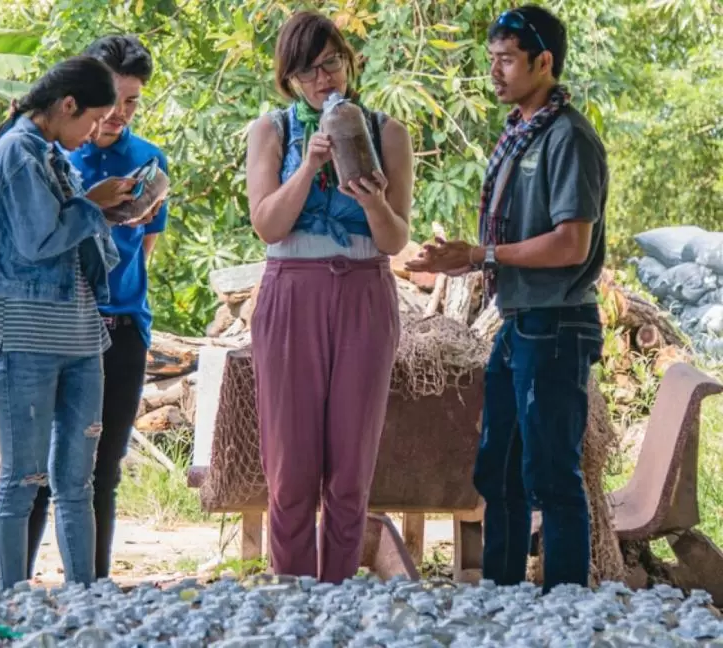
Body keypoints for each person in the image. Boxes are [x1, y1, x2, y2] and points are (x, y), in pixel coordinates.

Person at [405, 5, 607, 593]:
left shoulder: (568, 137)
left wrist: (481, 256)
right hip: (518, 322)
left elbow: (572, 243)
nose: (494, 73)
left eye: (507, 61)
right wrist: (461, 255)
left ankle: (566, 604)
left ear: (544, 62)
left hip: (557, 322)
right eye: (490, 60)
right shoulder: (523, 132)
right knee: (499, 471)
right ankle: (502, 596)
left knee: (552, 475)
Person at [244, 10, 414, 584]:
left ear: (348, 61)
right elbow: (267, 225)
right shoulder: (270, 131)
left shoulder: (388, 131)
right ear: (288, 80)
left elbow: (394, 239)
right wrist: (311, 163)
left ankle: (338, 595)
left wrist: (371, 201)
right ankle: (292, 592)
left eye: (331, 63)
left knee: (350, 464)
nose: (324, 80)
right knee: (291, 466)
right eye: (308, 71)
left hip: (365, 290)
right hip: (292, 291)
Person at [0, 55, 137, 590]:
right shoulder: (17, 154)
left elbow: (72, 236)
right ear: (67, 105)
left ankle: (84, 591)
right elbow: (38, 240)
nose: (94, 134)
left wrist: (107, 212)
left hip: (80, 335)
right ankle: (9, 596)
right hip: (25, 338)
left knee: (77, 481)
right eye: (91, 121)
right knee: (22, 478)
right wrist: (92, 206)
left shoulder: (50, 154)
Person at [26, 34, 169, 582]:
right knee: (38, 468)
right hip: (56, 322)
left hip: (123, 327)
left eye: (132, 102)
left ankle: (92, 588)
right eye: (111, 98)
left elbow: (143, 249)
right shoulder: (53, 151)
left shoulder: (149, 158)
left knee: (101, 471)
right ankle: (15, 586)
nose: (118, 113)